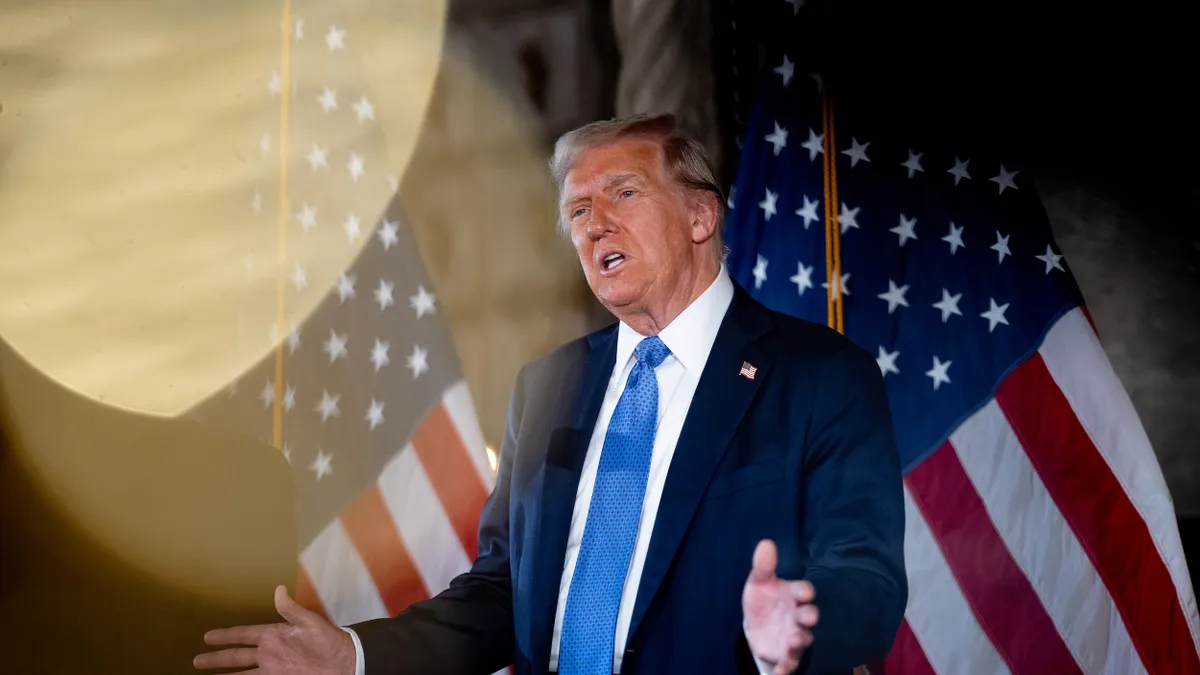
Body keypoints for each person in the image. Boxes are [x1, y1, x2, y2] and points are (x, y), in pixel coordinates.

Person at [194, 113, 906, 675]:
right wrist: (357, 655)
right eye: (576, 211)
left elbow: (866, 578)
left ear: (700, 216)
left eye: (623, 192)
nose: (595, 223)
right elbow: (502, 592)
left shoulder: (821, 376)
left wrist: (799, 625)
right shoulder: (548, 386)